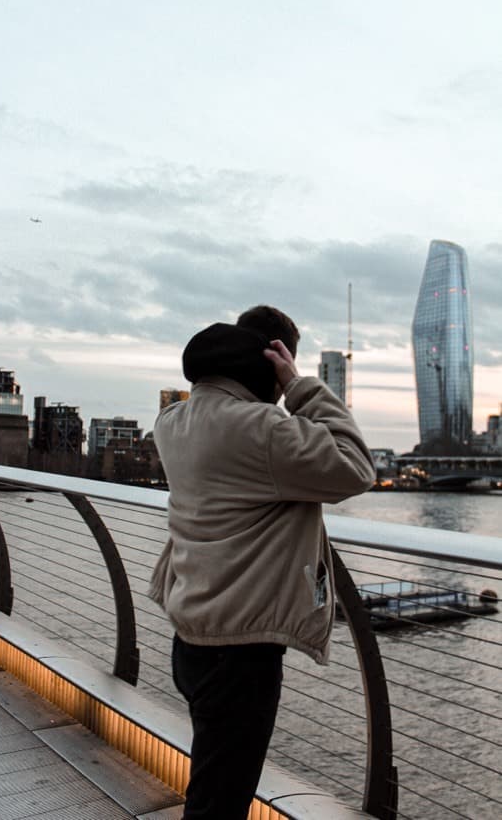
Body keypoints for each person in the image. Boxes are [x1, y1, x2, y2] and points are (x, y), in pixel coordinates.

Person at [149, 305, 375, 820]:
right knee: (220, 800)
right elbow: (356, 468)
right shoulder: (260, 430)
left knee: (212, 776)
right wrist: (301, 386)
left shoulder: (173, 421)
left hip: (191, 635)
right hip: (240, 650)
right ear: (272, 360)